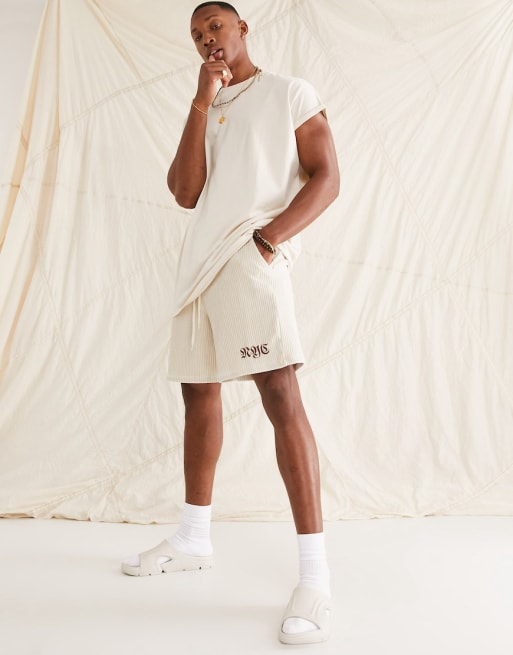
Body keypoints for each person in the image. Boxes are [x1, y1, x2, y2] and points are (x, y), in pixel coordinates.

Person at [122, 2, 340, 645]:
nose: (206, 39)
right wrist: (201, 99)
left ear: (243, 29)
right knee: (198, 395)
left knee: (280, 396)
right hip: (199, 266)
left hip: (249, 258)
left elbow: (328, 178)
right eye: (196, 35)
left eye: (215, 26)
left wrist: (269, 240)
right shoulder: (210, 105)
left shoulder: (289, 92)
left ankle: (316, 578)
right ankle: (194, 537)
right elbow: (184, 192)